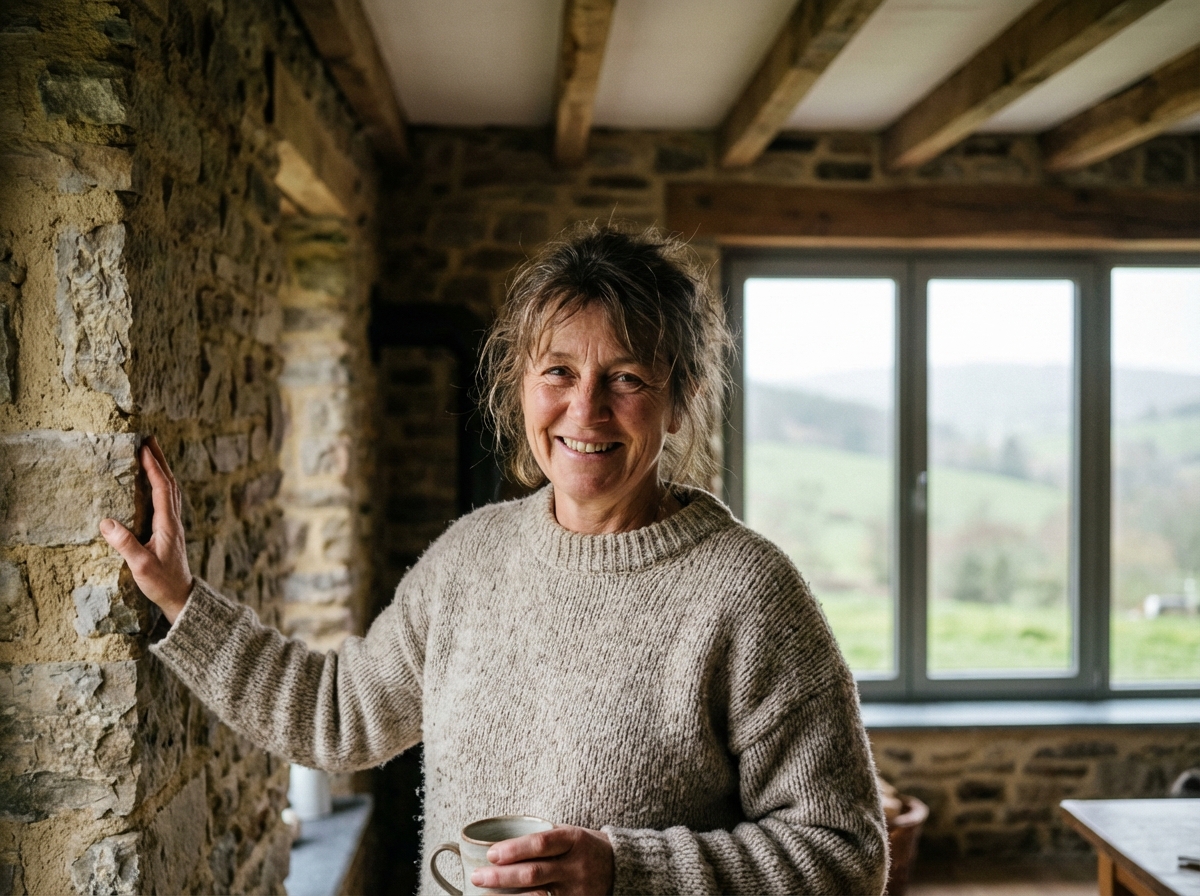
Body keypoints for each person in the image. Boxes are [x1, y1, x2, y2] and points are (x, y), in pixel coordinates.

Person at [102, 224, 888, 896]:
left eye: (627, 378)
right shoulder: (468, 559)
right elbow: (337, 717)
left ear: (678, 399)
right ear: (520, 386)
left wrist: (626, 871)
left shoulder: (750, 594)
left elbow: (844, 854)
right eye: (559, 372)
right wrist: (182, 599)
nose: (586, 410)